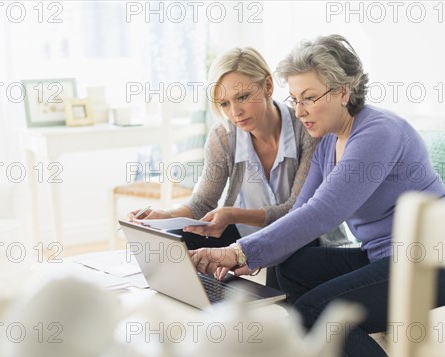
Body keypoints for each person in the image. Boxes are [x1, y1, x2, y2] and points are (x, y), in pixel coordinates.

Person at [189, 35, 445, 357]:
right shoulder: (328, 141)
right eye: (295, 100)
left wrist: (238, 252)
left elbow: (324, 211)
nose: (299, 111)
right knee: (291, 265)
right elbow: (300, 212)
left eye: (309, 98)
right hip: (385, 256)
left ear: (344, 91)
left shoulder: (379, 131)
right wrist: (246, 257)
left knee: (315, 311)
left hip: (443, 265)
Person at [127, 47, 348, 288]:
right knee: (179, 240)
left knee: (286, 261)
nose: (235, 113)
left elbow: (298, 211)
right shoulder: (223, 136)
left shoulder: (306, 128)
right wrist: (165, 215)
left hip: (304, 236)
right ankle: (203, 308)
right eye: (224, 103)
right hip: (245, 234)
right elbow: (202, 203)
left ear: (267, 86)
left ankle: (274, 314)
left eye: (242, 97)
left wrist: (233, 213)